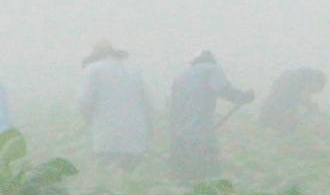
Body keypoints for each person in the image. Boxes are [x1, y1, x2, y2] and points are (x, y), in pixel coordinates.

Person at [166, 50, 254, 181]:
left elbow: (173, 107)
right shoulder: (211, 69)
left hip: (179, 138)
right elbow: (223, 89)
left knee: (183, 179)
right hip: (201, 135)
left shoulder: (182, 76)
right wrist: (242, 97)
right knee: (208, 178)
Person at [76, 40, 155, 172]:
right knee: (131, 178)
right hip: (136, 137)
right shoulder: (134, 71)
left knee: (110, 178)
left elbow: (84, 101)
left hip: (108, 137)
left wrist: (88, 120)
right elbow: (149, 102)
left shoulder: (93, 69)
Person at [258, 68, 328, 134]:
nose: (313, 93)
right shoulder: (289, 87)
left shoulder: (297, 82)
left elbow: (305, 99)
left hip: (275, 111)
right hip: (274, 113)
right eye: (313, 90)